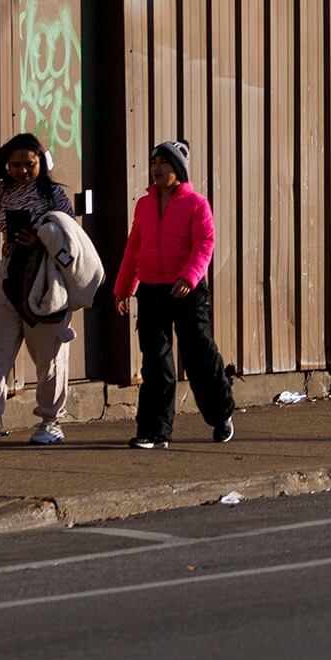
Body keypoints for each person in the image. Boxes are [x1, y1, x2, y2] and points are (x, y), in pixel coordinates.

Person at [109, 140, 238, 448]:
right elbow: (134, 249)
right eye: (154, 163)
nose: (157, 168)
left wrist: (189, 277)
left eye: (164, 163)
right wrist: (123, 289)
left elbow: (205, 244)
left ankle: (221, 415)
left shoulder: (196, 204)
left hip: (187, 291)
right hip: (152, 290)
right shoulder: (144, 205)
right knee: (155, 362)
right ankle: (154, 430)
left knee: (199, 357)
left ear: (178, 168)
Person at [0, 132, 78, 445]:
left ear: (41, 163)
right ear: (6, 166)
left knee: (49, 356)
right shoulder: (2, 191)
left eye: (29, 164)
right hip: (8, 276)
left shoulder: (54, 195)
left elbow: (72, 237)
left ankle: (50, 422)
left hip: (45, 279)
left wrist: (41, 239)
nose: (23, 170)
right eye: (15, 164)